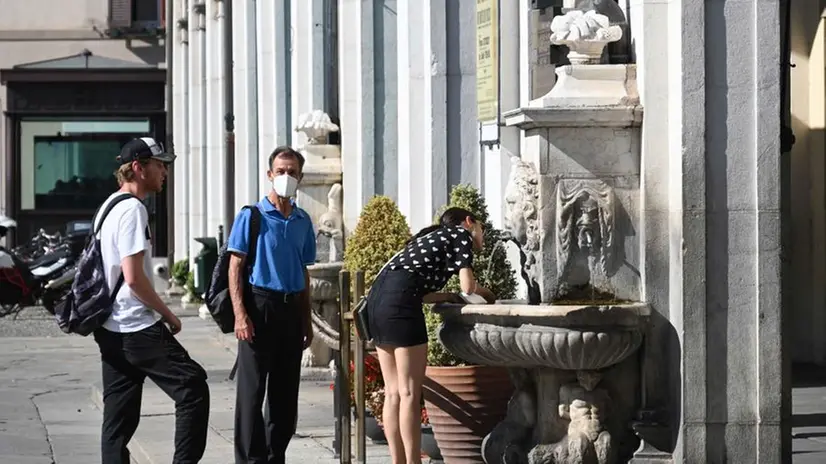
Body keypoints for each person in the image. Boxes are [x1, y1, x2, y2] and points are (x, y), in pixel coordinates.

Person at [93, 137, 210, 464]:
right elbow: (133, 277)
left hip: (109, 326)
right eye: (159, 165)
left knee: (118, 417)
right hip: (136, 325)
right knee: (193, 387)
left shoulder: (108, 205)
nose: (165, 172)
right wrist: (167, 314)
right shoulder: (132, 209)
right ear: (137, 168)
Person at [367, 207, 497, 464]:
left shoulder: (429, 240)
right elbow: (468, 286)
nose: (482, 233)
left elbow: (421, 291)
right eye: (482, 227)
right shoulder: (460, 234)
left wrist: (448, 296)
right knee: (409, 393)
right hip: (401, 308)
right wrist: (488, 294)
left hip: (377, 303)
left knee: (393, 392)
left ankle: (399, 462)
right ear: (469, 222)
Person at [227, 146, 316, 464]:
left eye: (292, 172)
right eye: (281, 171)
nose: (286, 177)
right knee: (251, 394)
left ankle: (274, 455)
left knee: (285, 395)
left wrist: (307, 321)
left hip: (291, 310)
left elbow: (303, 272)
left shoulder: (304, 221)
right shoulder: (252, 216)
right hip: (259, 307)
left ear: (300, 177)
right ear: (270, 175)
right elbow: (235, 266)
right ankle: (249, 460)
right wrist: (240, 315)